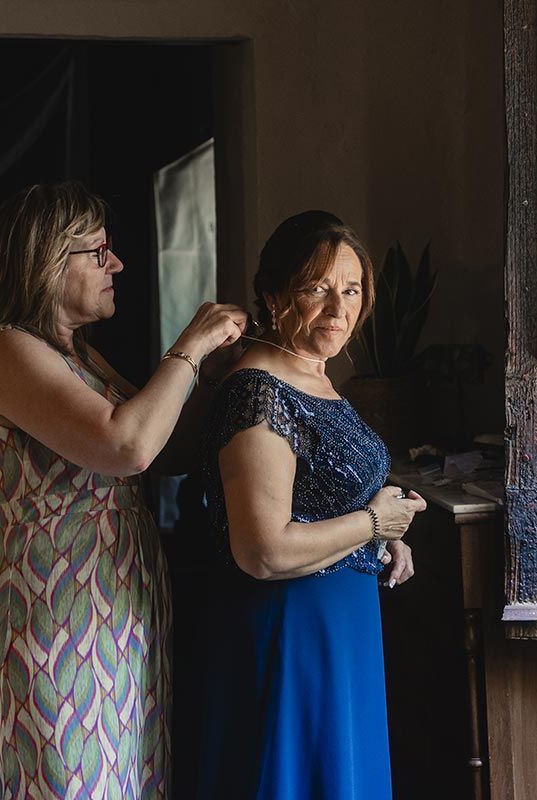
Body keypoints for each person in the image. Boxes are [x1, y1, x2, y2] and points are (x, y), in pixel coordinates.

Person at [0, 180, 246, 799]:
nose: (116, 264)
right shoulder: (6, 350)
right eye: (98, 252)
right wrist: (190, 346)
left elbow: (163, 452)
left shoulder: (80, 357)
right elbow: (126, 446)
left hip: (118, 608)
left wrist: (210, 377)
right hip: (57, 615)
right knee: (71, 782)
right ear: (43, 262)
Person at [194, 210, 426, 799]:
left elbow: (319, 493)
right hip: (292, 632)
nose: (337, 307)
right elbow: (263, 550)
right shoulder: (258, 393)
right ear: (275, 297)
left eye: (351, 290)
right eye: (316, 288)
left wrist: (383, 535)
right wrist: (372, 522)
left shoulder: (312, 375)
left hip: (341, 626)